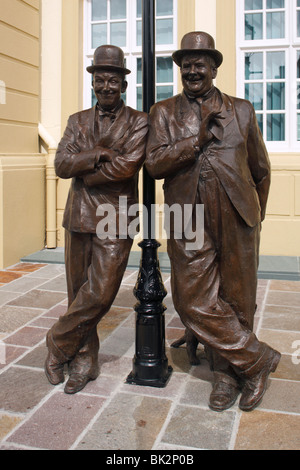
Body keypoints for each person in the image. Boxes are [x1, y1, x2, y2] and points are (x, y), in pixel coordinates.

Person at [146, 32, 281, 412]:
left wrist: (255, 216)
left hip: (237, 213)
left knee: (239, 298)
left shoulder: (242, 109)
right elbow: (154, 164)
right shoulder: (164, 112)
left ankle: (227, 374)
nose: (192, 70)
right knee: (190, 299)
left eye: (200, 63)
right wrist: (195, 142)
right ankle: (259, 360)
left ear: (214, 68)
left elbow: (260, 169)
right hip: (186, 215)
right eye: (186, 64)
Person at [44, 45, 148, 394]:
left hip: (117, 216)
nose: (106, 87)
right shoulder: (76, 121)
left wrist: (85, 169)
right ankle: (84, 359)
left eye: (113, 81)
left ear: (123, 84)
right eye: (100, 80)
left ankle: (58, 341)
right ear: (92, 83)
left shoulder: (139, 121)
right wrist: (98, 154)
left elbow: (127, 167)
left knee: (101, 293)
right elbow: (61, 165)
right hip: (78, 216)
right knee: (79, 293)